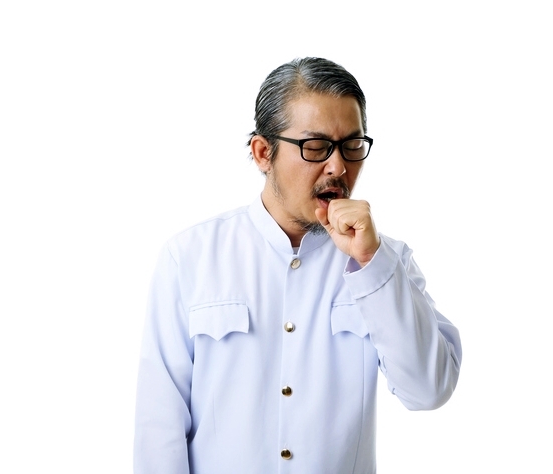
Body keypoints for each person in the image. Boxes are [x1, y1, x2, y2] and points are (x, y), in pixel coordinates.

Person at [133, 57, 462, 473]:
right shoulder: (190, 257)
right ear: (263, 153)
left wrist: (370, 263)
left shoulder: (385, 261)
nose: (338, 167)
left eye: (352, 146)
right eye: (316, 147)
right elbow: (159, 428)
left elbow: (429, 390)